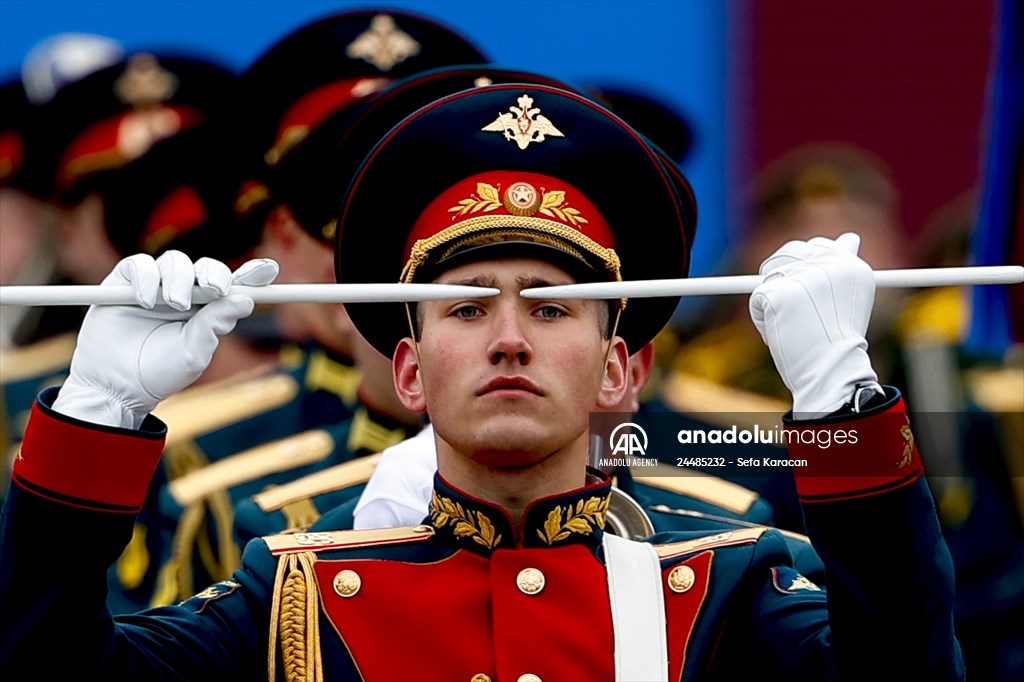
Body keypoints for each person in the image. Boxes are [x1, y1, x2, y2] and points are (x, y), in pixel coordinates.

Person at [0, 84, 963, 680]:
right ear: (409, 370)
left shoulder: (728, 588)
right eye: (465, 308)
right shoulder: (292, 595)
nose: (508, 339)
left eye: (550, 307)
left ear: (618, 368)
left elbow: (909, 672)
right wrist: (98, 416)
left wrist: (841, 402)